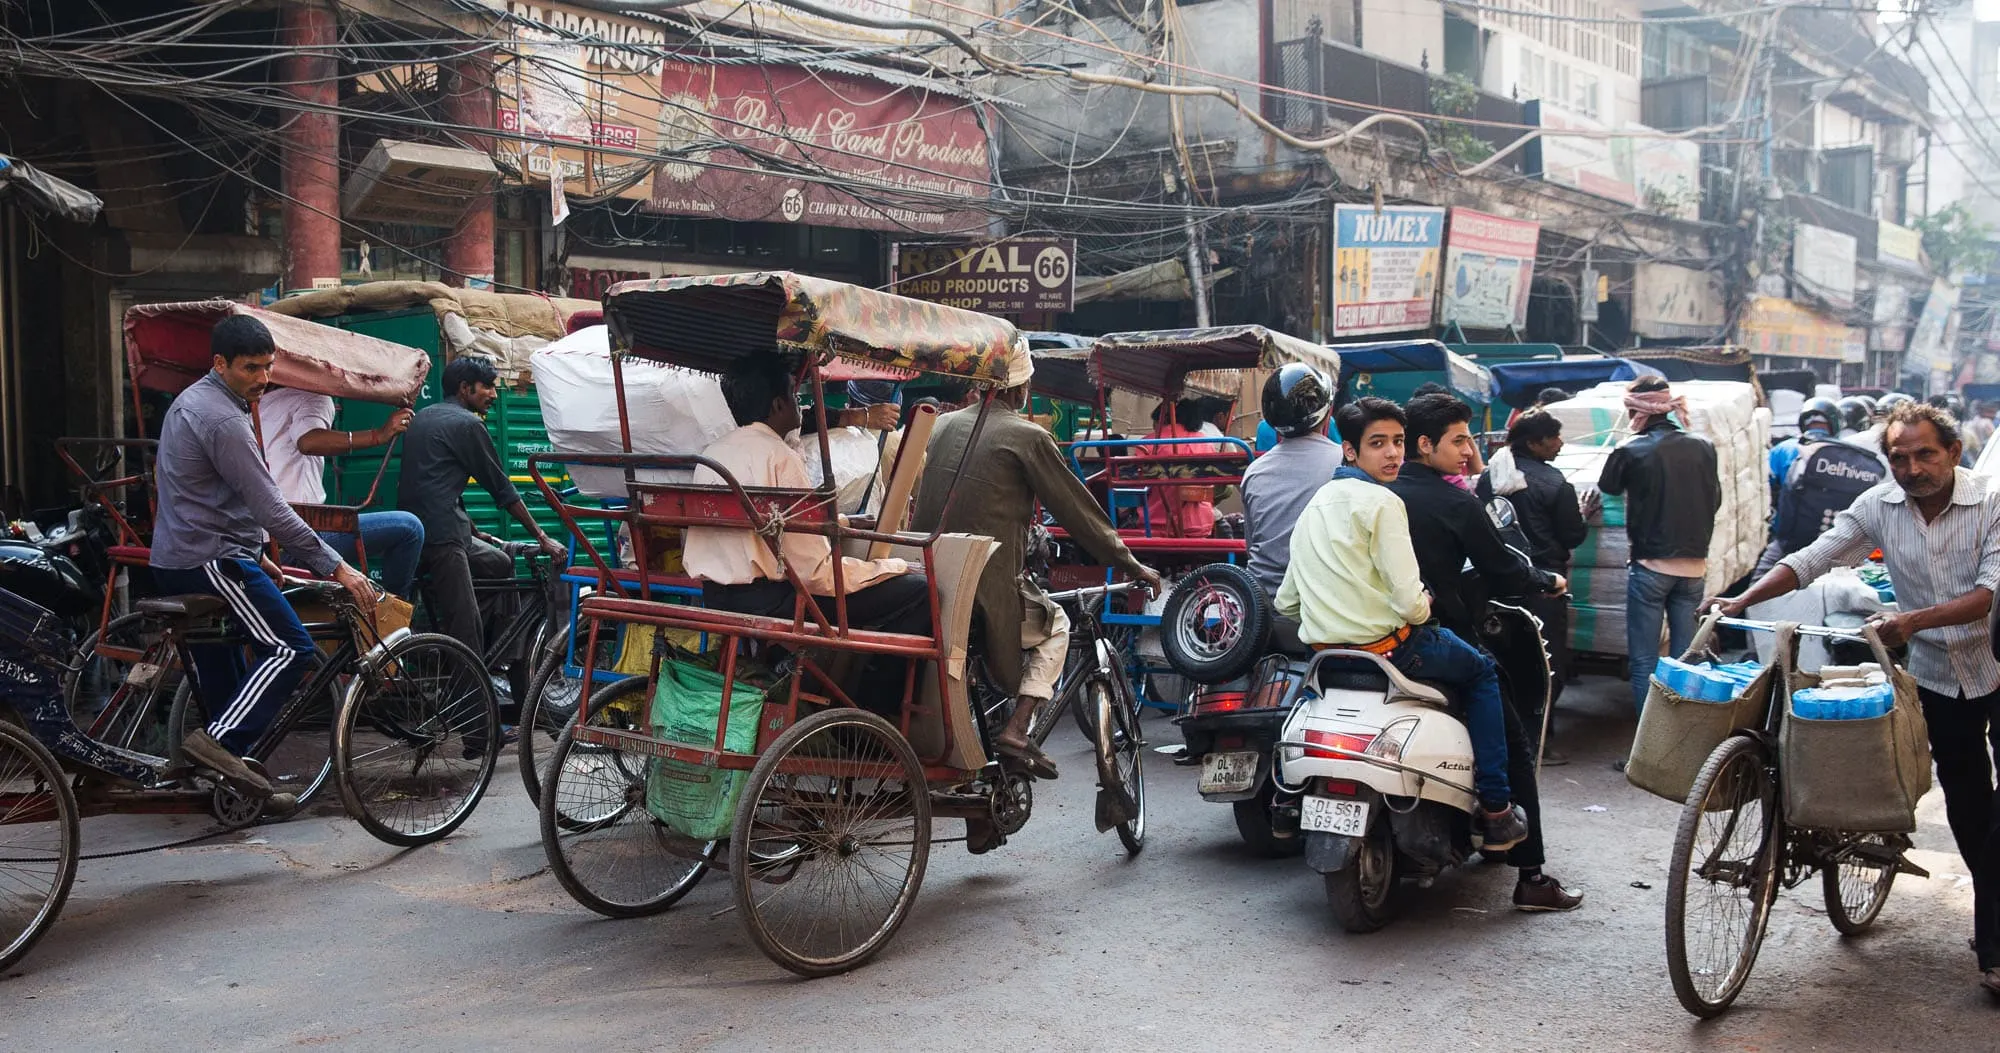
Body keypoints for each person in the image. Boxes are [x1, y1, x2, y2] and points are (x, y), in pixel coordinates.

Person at [1708, 401, 2000, 999]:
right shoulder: (1877, 507)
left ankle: (1994, 940)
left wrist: (1911, 620)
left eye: (1925, 455)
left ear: (1953, 454)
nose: (1912, 467)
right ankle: (1994, 905)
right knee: (1970, 803)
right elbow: (1812, 559)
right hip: (1940, 677)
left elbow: (1989, 593)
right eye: (1899, 457)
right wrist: (1742, 601)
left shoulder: (1993, 501)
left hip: (1999, 660)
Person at [1274, 396, 1532, 859]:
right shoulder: (1383, 501)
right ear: (1350, 450)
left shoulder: (1316, 504)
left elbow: (1286, 601)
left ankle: (1285, 798)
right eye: (1378, 444)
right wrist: (1425, 599)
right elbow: (1411, 607)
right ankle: (1495, 808)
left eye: (1397, 442)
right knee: (1482, 674)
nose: (1392, 453)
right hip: (1395, 650)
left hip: (1328, 658)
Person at [149, 315, 379, 805]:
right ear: (220, 363)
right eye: (251, 368)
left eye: (268, 367)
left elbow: (207, 495)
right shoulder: (224, 419)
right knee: (292, 649)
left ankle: (227, 775)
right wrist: (336, 565)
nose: (262, 379)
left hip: (181, 555)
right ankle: (218, 745)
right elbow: (270, 506)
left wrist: (258, 553)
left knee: (224, 669)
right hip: (210, 559)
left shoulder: (189, 403)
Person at [911, 358, 1162, 785]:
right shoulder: (1027, 436)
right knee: (1056, 624)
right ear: (1018, 388)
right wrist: (1129, 562)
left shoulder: (944, 426)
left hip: (928, 573)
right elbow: (1079, 513)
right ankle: (1017, 728)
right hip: (983, 584)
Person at [683, 354, 934, 716]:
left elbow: (779, 523)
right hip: (774, 600)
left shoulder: (712, 454)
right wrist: (890, 567)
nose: (801, 406)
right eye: (795, 396)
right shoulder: (779, 456)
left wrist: (842, 525)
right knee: (921, 591)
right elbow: (815, 573)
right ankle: (873, 711)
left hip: (719, 596)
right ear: (778, 404)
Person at [398, 356, 566, 703]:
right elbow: (502, 489)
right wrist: (542, 537)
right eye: (487, 386)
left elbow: (439, 486)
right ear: (465, 389)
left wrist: (476, 532)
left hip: (419, 533)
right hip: (444, 540)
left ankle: (501, 654)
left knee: (502, 563)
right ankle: (477, 727)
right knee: (466, 628)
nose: (493, 393)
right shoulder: (468, 425)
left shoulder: (424, 418)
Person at [1598, 376, 1720, 716]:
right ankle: (1683, 740)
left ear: (1637, 411)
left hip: (1651, 567)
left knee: (1644, 660)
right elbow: (1717, 499)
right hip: (1695, 568)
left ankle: (1646, 747)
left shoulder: (1630, 449)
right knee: (1686, 660)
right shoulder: (1703, 446)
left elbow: (1607, 485)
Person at [1475, 408, 1588, 761]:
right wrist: (1585, 514)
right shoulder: (1556, 484)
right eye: (1553, 437)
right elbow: (1573, 533)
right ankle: (1536, 742)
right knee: (1546, 662)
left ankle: (1505, 736)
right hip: (1543, 584)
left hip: (1495, 583)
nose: (1560, 443)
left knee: (1502, 660)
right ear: (1535, 442)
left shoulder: (1489, 478)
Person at [258, 385, 424, 595]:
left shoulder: (261, 403)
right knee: (410, 528)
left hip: (262, 541)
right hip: (295, 541)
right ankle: (390, 616)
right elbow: (308, 441)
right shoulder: (313, 395)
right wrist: (379, 435)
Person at [1240, 364, 1341, 603]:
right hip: (1322, 604)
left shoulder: (1254, 472)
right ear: (1327, 413)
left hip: (1261, 603)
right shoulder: (1345, 462)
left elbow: (1252, 545)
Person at [1754, 399, 1885, 579]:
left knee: (1756, 588)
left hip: (1789, 541)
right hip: (1834, 544)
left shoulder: (1784, 448)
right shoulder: (1844, 453)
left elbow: (1765, 489)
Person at [1143, 398, 1223, 537]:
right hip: (1200, 524)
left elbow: (1138, 488)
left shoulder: (1147, 444)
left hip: (1154, 523)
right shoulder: (1206, 444)